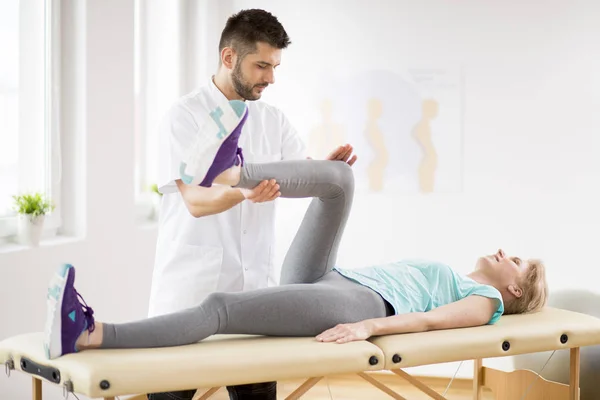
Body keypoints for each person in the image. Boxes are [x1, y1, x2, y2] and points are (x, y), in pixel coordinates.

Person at [43, 120, 549, 367]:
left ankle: (89, 333)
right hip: (332, 277)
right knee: (338, 179)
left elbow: (426, 321)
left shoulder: (485, 304)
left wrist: (367, 326)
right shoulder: (465, 280)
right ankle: (231, 171)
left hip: (355, 302)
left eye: (518, 262)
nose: (506, 251)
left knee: (220, 309)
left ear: (517, 292)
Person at [150, 8, 356, 400]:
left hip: (255, 299)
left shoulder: (273, 120)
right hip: (189, 292)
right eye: (262, 65)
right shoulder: (184, 117)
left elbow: (299, 173)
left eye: (275, 66)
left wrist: (327, 172)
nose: (271, 78)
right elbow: (194, 199)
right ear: (229, 58)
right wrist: (244, 193)